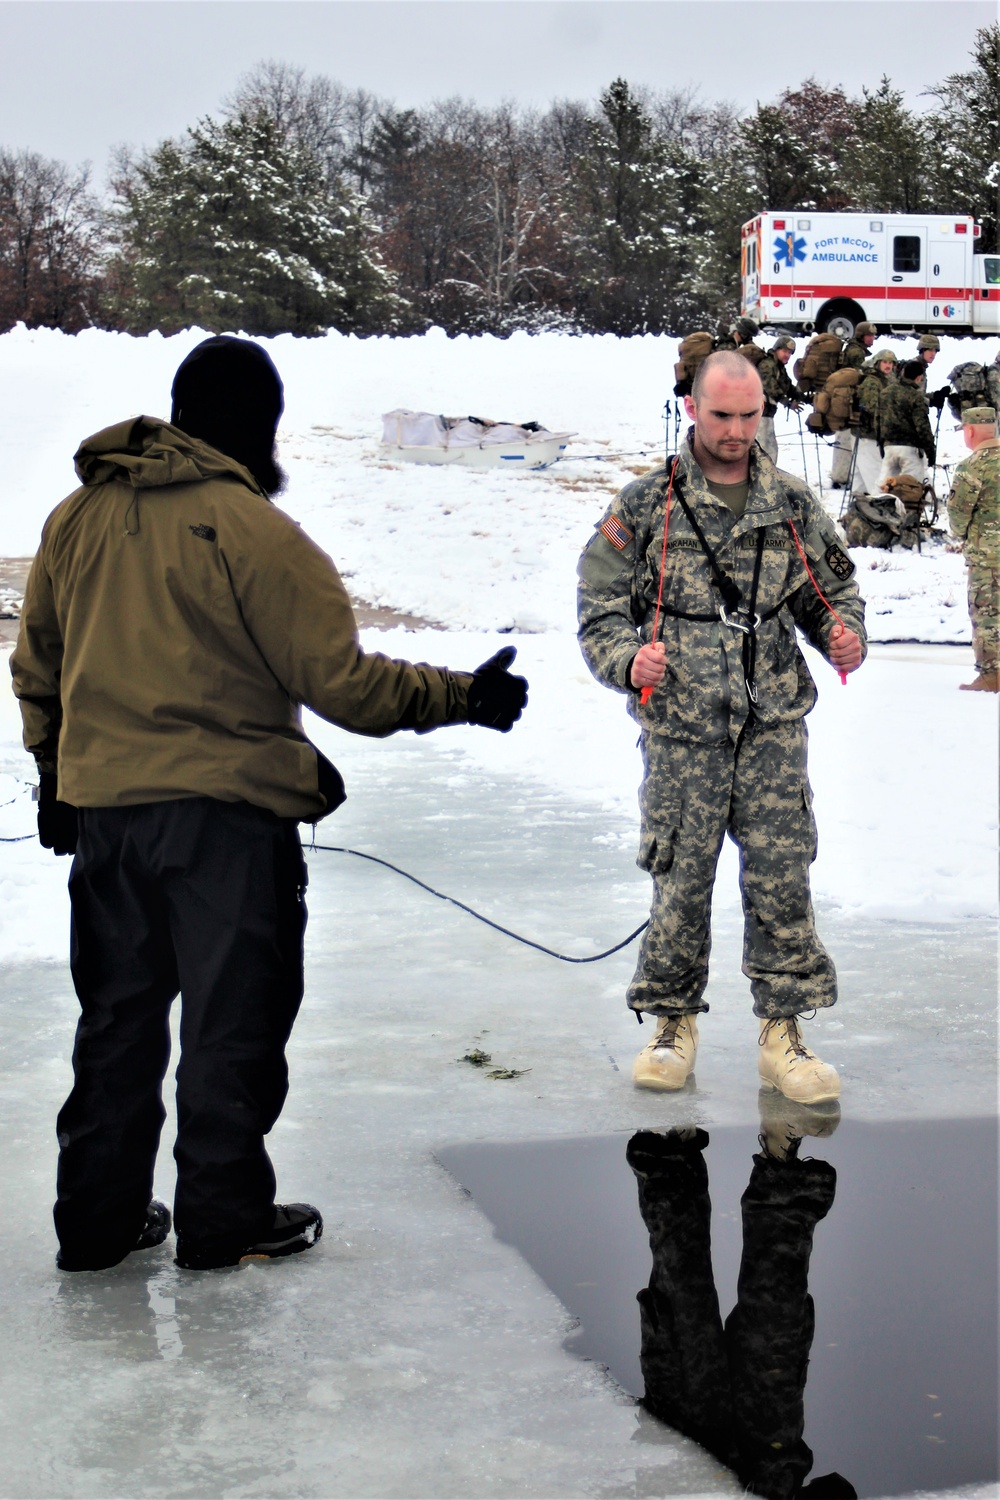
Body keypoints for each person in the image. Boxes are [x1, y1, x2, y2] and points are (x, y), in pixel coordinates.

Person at [10, 335, 528, 1274]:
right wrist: (464, 696)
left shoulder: (73, 519)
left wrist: (53, 771)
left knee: (116, 1024)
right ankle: (224, 1219)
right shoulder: (253, 532)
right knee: (229, 1028)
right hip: (223, 828)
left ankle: (96, 1220)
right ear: (260, 426)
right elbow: (346, 684)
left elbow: (34, 661)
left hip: (108, 824)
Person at [577, 351, 865, 1102]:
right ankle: (672, 1022)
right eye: (721, 415)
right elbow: (599, 609)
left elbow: (832, 594)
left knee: (781, 874)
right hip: (682, 722)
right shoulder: (646, 507)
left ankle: (785, 1030)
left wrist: (844, 637)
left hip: (770, 720)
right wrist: (626, 659)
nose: (736, 431)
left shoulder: (792, 504)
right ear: (693, 409)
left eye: (749, 415)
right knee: (681, 877)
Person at [946, 406, 1000, 693]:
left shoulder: (973, 466)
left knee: (988, 613)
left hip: (988, 556)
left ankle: (992, 674)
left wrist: (962, 534)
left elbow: (958, 515)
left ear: (969, 431)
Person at [830, 324, 877, 486]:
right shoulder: (856, 352)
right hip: (848, 401)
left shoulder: (852, 348)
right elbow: (860, 375)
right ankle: (841, 478)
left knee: (844, 439)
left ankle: (841, 476)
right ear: (861, 335)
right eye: (870, 335)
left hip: (844, 399)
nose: (873, 338)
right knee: (845, 439)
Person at [877, 358, 936, 485]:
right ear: (919, 378)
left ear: (903, 373)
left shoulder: (885, 393)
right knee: (910, 487)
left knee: (886, 487)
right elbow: (922, 426)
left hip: (889, 446)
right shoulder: (915, 397)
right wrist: (931, 451)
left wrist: (881, 443)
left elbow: (878, 419)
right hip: (910, 449)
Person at [852, 349, 897, 496]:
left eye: (890, 363)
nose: (888, 365)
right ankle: (879, 503)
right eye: (885, 362)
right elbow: (871, 408)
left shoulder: (882, 380)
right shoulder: (872, 382)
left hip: (867, 434)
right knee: (875, 474)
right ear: (877, 363)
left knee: (860, 478)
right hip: (867, 435)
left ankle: (858, 505)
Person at [757, 335, 806, 463]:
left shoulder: (779, 368)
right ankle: (761, 479)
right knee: (762, 449)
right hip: (757, 414)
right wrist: (788, 403)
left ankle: (768, 478)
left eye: (790, 353)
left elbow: (789, 388)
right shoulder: (767, 365)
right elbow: (771, 388)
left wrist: (807, 398)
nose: (787, 355)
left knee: (770, 449)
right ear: (776, 349)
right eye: (784, 351)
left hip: (767, 414)